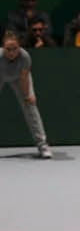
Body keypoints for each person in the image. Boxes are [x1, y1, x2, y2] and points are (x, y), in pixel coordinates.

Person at [1, 31, 52, 159]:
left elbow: (24, 78)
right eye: (8, 49)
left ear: (19, 47)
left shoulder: (25, 57)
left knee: (30, 106)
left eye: (15, 49)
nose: (12, 52)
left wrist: (28, 95)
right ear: (3, 48)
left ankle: (43, 145)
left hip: (19, 78)